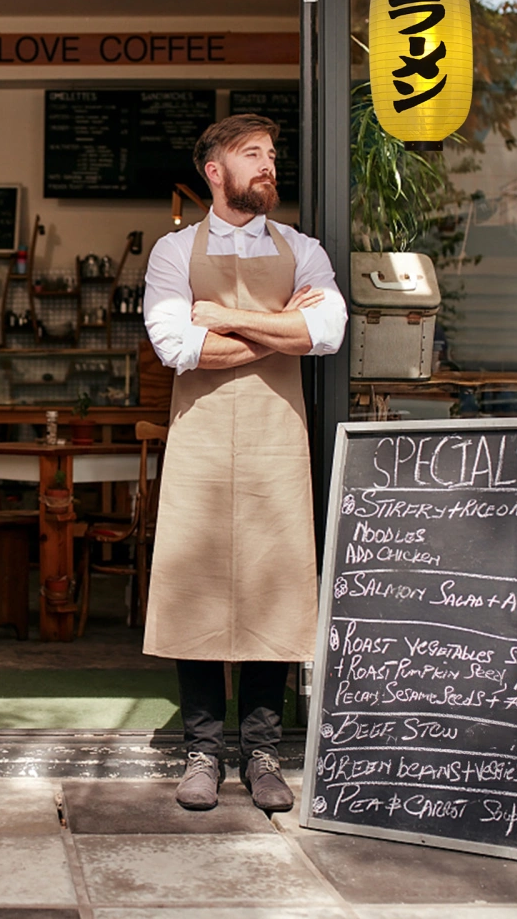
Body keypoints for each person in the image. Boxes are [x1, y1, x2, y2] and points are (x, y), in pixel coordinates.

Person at [142, 113, 347, 812]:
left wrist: (223, 318)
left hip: (275, 440)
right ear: (214, 172)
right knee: (196, 588)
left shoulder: (305, 249)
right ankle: (202, 748)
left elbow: (328, 330)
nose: (267, 165)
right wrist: (280, 329)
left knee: (275, 585)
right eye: (250, 154)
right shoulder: (171, 252)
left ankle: (262, 751)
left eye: (270, 154)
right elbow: (177, 347)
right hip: (199, 439)